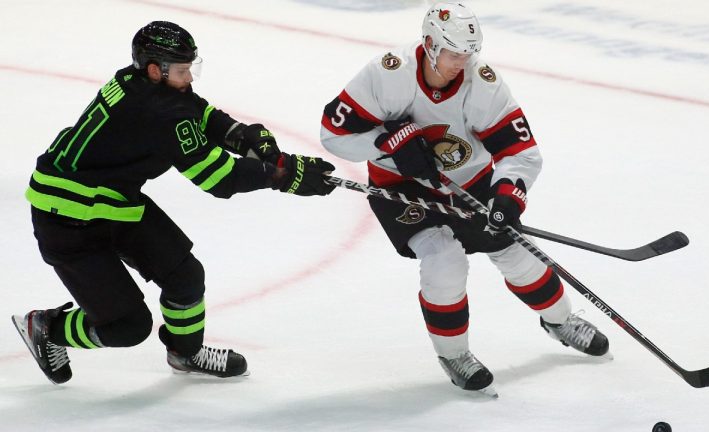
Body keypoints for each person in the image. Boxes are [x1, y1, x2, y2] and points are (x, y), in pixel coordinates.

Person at [12, 21, 336, 385]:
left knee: (185, 276)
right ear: (156, 69)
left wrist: (240, 135)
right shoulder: (157, 113)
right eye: (183, 71)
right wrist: (280, 176)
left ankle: (185, 352)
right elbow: (218, 178)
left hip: (111, 202)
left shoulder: (139, 82)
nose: (190, 78)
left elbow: (197, 112)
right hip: (66, 219)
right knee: (127, 327)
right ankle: (46, 327)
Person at [320, 2, 609, 394]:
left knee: (518, 254)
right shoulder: (387, 74)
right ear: (429, 45)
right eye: (454, 53)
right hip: (400, 188)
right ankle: (454, 354)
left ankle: (559, 320)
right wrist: (387, 146)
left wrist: (508, 198)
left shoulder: (483, 84)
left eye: (469, 53)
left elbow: (520, 152)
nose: (463, 62)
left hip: (471, 181)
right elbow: (333, 135)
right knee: (444, 262)